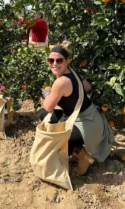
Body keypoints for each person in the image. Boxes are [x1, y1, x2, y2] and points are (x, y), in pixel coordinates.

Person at [40, 41, 114, 175]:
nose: (54, 64)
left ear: (67, 61)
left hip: (86, 125)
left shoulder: (60, 82)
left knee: (56, 144)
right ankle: (75, 147)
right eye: (51, 60)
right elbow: (88, 87)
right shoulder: (73, 72)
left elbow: (48, 106)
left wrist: (48, 93)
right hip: (94, 119)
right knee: (44, 115)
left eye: (59, 60)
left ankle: (82, 155)